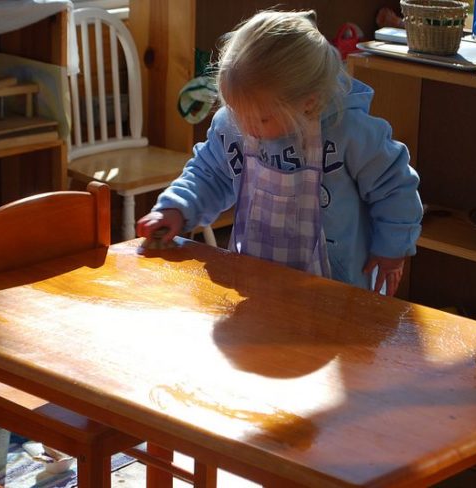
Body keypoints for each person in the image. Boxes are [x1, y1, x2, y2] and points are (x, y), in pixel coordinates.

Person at [136, 9, 422, 296]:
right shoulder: (234, 125)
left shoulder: (349, 131)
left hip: (337, 287)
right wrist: (177, 208)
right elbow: (209, 174)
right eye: (236, 112)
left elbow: (394, 187)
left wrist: (392, 247)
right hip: (256, 280)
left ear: (308, 105)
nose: (246, 127)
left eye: (260, 119)